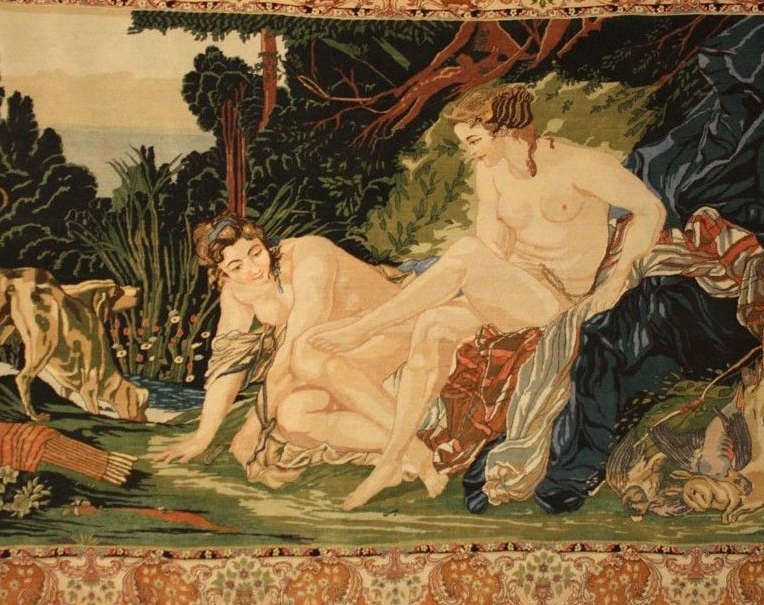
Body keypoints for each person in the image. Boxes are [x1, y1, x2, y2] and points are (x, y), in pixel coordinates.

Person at [309, 82, 668, 509]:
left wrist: (617, 280)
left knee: (463, 252)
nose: (472, 152)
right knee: (433, 324)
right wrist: (466, 290)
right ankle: (392, 459)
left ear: (506, 131)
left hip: (559, 301)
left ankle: (365, 328)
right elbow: (492, 248)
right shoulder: (491, 172)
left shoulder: (577, 164)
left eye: (475, 140)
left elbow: (651, 209)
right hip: (516, 292)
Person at [152, 214, 479, 502]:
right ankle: (411, 450)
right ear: (220, 271)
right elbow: (228, 366)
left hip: (398, 329)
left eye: (255, 253)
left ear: (263, 241)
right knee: (294, 416)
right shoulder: (236, 293)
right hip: (342, 361)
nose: (252, 269)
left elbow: (298, 345)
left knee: (305, 353)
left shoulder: (310, 253)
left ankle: (413, 452)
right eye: (235, 266)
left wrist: (254, 425)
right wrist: (202, 437)